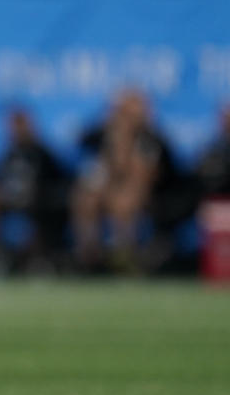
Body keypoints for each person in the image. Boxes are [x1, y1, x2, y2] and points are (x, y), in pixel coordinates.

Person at [70, 89, 177, 273]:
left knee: (124, 203)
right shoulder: (105, 132)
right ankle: (89, 257)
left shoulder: (150, 138)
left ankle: (123, 259)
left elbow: (144, 176)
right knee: (85, 200)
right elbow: (86, 148)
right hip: (111, 186)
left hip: (152, 193)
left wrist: (124, 147)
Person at [0, 107, 68, 274]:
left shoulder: (42, 152)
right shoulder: (8, 152)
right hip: (10, 199)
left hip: (37, 201)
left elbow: (58, 181)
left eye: (20, 125)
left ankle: (37, 259)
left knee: (36, 206)